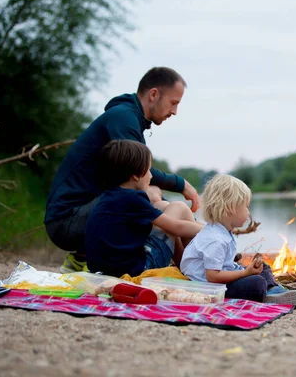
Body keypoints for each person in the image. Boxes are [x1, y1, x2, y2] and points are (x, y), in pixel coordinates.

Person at [44, 67, 200, 273]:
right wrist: (180, 184)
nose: (174, 111)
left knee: (154, 197)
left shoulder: (128, 117)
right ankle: (194, 267)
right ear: (154, 94)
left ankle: (188, 267)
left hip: (85, 215)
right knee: (149, 195)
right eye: (174, 103)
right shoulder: (123, 118)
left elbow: (141, 173)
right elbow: (141, 171)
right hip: (66, 222)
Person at [181, 174, 296, 308]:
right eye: (246, 207)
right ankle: (268, 292)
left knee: (264, 267)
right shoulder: (215, 239)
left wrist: (246, 271)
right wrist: (245, 273)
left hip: (219, 278)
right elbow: (212, 276)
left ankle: (273, 291)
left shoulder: (222, 231)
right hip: (209, 287)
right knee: (256, 283)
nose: (248, 212)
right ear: (230, 208)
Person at [84, 139, 204, 277]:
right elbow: (177, 227)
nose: (151, 175)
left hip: (104, 271)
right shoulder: (132, 198)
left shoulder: (110, 196)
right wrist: (214, 229)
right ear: (136, 175)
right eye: (148, 170)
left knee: (163, 206)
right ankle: (197, 271)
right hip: (136, 271)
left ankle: (187, 270)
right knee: (180, 208)